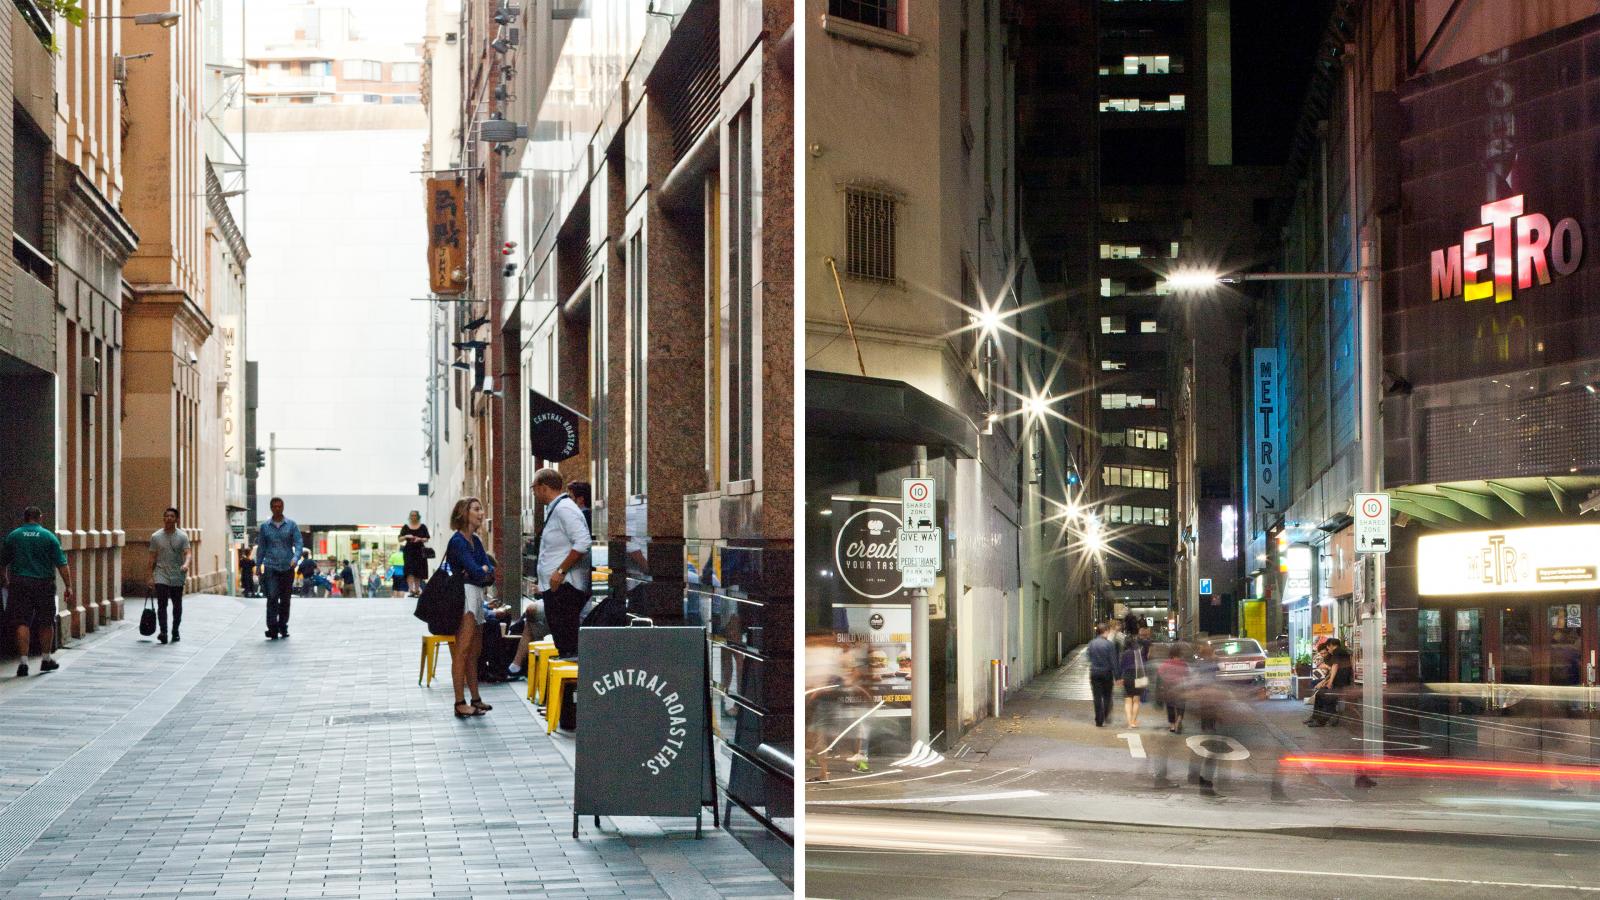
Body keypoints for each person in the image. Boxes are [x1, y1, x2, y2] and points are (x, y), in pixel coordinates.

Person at [1, 506, 75, 677]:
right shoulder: (48, 536)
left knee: (22, 622)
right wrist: (68, 586)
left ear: (25, 518)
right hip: (43, 584)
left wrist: (5, 579)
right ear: (40, 518)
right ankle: (46, 659)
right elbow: (62, 564)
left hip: (19, 583)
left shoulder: (14, 536)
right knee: (46, 621)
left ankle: (23, 663)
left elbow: (3, 562)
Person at [531, 468, 592, 659]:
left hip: (565, 588)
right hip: (557, 588)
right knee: (562, 642)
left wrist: (560, 571)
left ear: (544, 487)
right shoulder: (557, 508)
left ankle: (570, 684)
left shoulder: (564, 509)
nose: (533, 492)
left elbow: (583, 542)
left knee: (567, 643)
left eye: (534, 487)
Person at [446, 496, 496, 718]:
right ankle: (459, 702)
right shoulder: (457, 541)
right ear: (464, 513)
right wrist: (480, 570)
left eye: (481, 508)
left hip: (476, 595)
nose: (481, 513)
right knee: (463, 650)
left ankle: (475, 698)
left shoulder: (475, 540)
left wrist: (481, 570)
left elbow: (489, 573)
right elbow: (477, 571)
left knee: (474, 652)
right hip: (464, 597)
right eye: (477, 509)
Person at [254, 497, 303, 640]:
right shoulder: (265, 527)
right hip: (271, 567)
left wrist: (295, 558)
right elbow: (261, 547)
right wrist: (258, 565)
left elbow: (299, 543)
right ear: (271, 508)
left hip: (287, 566)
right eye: (275, 506)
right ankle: (272, 628)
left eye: (280, 506)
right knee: (272, 597)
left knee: (285, 599)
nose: (277, 509)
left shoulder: (291, 525)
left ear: (283, 507)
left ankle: (283, 625)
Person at [148, 507, 191, 644]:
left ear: (177, 519)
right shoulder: (156, 537)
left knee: (177, 605)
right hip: (161, 573)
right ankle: (163, 631)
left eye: (172, 516)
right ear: (163, 518)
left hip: (177, 574)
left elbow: (188, 553)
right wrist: (150, 576)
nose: (169, 518)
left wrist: (186, 564)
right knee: (162, 604)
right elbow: (152, 558)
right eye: (166, 516)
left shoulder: (183, 536)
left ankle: (175, 630)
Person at [1307, 638, 1353, 726]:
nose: (1328, 650)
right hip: (1338, 681)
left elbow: (1335, 666)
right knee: (1320, 693)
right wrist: (1325, 681)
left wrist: (1329, 682)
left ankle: (1321, 720)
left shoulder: (1337, 652)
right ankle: (1316, 717)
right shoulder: (1341, 652)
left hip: (1340, 682)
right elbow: (1333, 670)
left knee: (1327, 696)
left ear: (1330, 646)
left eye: (1327, 649)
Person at [1086, 622, 1119, 727]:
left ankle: (1098, 720)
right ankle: (1105, 714)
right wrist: (1118, 677)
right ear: (1105, 631)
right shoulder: (1109, 645)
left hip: (1094, 673)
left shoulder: (1091, 643)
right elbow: (1114, 661)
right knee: (1107, 696)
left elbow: (1088, 657)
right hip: (1107, 673)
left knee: (1097, 697)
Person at [1158, 642, 1189, 733]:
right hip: (1180, 686)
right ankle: (1179, 718)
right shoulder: (1183, 664)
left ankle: (1172, 726)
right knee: (1181, 704)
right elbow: (1187, 675)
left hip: (1168, 687)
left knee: (1170, 706)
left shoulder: (1166, 663)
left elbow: (1160, 673)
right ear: (1180, 653)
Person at [399, 511, 431, 597]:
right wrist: (406, 536)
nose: (413, 517)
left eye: (415, 515)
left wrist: (420, 539)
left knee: (418, 570)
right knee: (409, 570)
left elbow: (427, 538)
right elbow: (399, 539)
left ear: (418, 517)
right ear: (409, 517)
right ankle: (411, 590)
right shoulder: (406, 527)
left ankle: (417, 590)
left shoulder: (423, 526)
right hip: (409, 551)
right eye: (412, 515)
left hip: (420, 550)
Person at [1121, 631, 1148, 728]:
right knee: (1136, 700)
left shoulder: (1124, 654)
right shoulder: (1139, 653)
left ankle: (1129, 722)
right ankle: (1133, 721)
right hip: (1138, 676)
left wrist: (1120, 678)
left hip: (1127, 677)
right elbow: (1144, 665)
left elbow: (1122, 667)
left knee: (1128, 700)